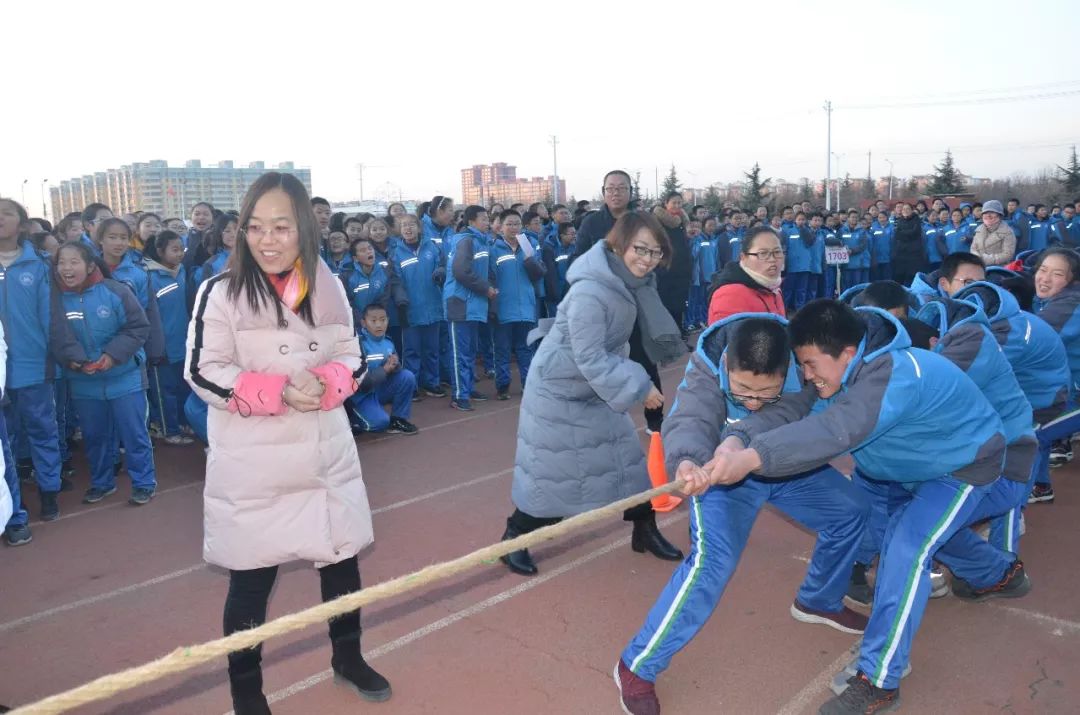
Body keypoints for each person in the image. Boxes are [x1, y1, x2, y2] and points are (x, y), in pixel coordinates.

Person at [702, 301, 1011, 715]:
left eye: (810, 365)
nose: (806, 376)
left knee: (906, 547)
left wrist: (753, 459)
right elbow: (794, 407)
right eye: (801, 365)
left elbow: (836, 428)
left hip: (960, 467)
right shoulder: (837, 373)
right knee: (913, 530)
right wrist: (738, 438)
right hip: (903, 468)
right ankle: (999, 573)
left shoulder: (899, 373)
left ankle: (879, 682)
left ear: (847, 353)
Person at [185, 172, 390, 713]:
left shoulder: (328, 284)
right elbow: (204, 374)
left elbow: (353, 352)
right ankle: (247, 692)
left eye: (280, 226)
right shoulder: (220, 291)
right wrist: (275, 392)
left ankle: (348, 657)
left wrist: (328, 383)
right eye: (254, 227)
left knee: (342, 564)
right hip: (256, 466)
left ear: (304, 229)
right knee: (250, 584)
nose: (266, 239)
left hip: (324, 456)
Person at [616, 315, 870, 715]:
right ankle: (637, 665)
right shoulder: (705, 364)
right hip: (718, 475)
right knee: (712, 564)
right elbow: (692, 418)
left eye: (764, 393)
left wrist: (738, 441)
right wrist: (685, 463)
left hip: (780, 462)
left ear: (787, 370)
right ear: (726, 367)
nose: (752, 402)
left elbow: (787, 413)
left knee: (852, 510)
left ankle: (819, 598)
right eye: (743, 391)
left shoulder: (801, 367)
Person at [500, 212, 685, 577]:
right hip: (559, 391)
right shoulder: (591, 291)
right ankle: (514, 540)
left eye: (655, 252)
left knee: (629, 466)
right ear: (619, 245)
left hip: (595, 386)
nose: (647, 259)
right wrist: (640, 385)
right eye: (640, 249)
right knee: (553, 478)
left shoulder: (631, 283)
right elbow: (589, 356)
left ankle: (644, 531)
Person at [50, 241, 157, 506]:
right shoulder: (54, 299)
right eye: (62, 262)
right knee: (95, 436)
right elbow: (55, 337)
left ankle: (143, 482)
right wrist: (73, 360)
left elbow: (137, 327)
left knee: (133, 433)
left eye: (74, 262)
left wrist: (111, 356)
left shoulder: (115, 291)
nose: (67, 268)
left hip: (125, 377)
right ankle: (102, 482)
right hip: (83, 382)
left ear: (89, 266)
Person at [954, 280, 1070, 505]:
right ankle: (1041, 485)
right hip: (1043, 390)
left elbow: (973, 378)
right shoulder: (1010, 320)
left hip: (1044, 399)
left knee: (1025, 442)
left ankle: (1016, 506)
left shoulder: (1007, 333)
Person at [0, 198, 64, 521]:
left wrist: (52, 357)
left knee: (42, 429)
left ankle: (49, 491)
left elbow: (50, 317)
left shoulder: (38, 265)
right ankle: (12, 505)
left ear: (22, 224)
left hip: (32, 367)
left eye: (6, 213)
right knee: (4, 442)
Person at [1029, 248, 1080, 487]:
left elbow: (1031, 340)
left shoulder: (1070, 305)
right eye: (1042, 270)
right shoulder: (1052, 302)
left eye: (1057, 274)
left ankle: (1030, 491)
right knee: (1037, 422)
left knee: (1032, 434)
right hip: (1069, 390)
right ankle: (1040, 486)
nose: (1045, 278)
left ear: (1072, 281)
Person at [443, 206, 496, 411]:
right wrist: (486, 288)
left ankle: (466, 387)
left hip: (475, 304)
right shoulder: (466, 240)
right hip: (460, 303)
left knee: (470, 350)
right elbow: (461, 271)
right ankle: (458, 395)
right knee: (460, 352)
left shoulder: (482, 241)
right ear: (471, 221)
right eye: (483, 218)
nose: (487, 222)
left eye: (488, 218)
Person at [144, 231, 194, 446]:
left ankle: (183, 423)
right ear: (159, 251)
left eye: (181, 249)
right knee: (165, 392)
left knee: (183, 388)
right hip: (163, 349)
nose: (179, 254)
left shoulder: (182, 273)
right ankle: (168, 429)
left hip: (184, 345)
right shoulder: (150, 278)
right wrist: (156, 347)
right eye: (174, 250)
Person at [490, 210, 545, 399]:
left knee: (525, 348)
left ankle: (527, 383)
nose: (514, 228)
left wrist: (530, 259)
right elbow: (490, 278)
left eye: (517, 224)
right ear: (501, 227)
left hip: (526, 307)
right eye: (509, 224)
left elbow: (539, 274)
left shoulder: (530, 245)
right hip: (503, 308)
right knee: (502, 349)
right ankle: (503, 386)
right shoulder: (493, 249)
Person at [391, 213, 445, 399]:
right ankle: (411, 385)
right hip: (411, 310)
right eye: (404, 225)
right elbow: (396, 280)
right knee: (411, 351)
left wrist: (441, 271)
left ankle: (432, 383)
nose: (408, 228)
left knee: (432, 349)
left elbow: (443, 266)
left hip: (433, 308)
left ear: (419, 228)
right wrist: (402, 302)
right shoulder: (396, 252)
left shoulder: (432, 247)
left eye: (411, 225)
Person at [347, 303, 418, 435]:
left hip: (379, 389)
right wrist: (385, 369)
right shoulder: (358, 344)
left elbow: (396, 372)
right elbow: (361, 383)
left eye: (383, 320)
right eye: (373, 321)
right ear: (363, 323)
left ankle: (398, 419)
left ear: (388, 321)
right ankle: (351, 418)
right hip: (361, 394)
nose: (379, 325)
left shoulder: (388, 341)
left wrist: (395, 365)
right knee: (379, 423)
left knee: (407, 376)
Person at [707, 225, 786, 324]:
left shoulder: (773, 287)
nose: (772, 259)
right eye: (763, 253)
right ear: (743, 257)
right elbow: (731, 338)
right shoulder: (730, 295)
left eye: (777, 252)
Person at [651, 192, 693, 332]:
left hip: (681, 270)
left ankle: (679, 333)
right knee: (666, 304)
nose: (677, 206)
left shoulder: (682, 221)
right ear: (666, 203)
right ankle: (667, 336)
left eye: (679, 203)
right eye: (673, 202)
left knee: (680, 304)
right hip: (665, 270)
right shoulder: (656, 221)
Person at [909, 251, 986, 304]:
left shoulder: (989, 301)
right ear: (944, 284)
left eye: (982, 283)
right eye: (969, 282)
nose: (977, 288)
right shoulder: (921, 310)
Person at [541, 222, 576, 316]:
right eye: (571, 234)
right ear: (562, 236)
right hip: (555, 295)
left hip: (571, 293)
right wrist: (554, 294)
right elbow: (550, 275)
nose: (574, 236)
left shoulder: (575, 247)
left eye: (575, 233)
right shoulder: (549, 248)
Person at [970, 200, 1017, 267]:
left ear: (999, 215)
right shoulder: (978, 230)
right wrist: (977, 258)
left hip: (998, 270)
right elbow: (973, 248)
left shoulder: (1008, 232)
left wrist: (986, 259)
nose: (988, 215)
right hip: (979, 267)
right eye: (985, 213)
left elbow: (1008, 254)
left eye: (992, 212)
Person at [890, 202, 926, 287]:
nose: (905, 211)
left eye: (907, 209)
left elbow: (914, 233)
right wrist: (906, 234)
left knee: (912, 278)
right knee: (899, 277)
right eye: (903, 209)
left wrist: (904, 234)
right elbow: (898, 234)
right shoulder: (900, 221)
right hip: (901, 254)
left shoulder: (916, 220)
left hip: (914, 254)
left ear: (912, 210)